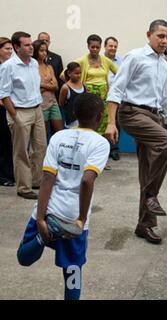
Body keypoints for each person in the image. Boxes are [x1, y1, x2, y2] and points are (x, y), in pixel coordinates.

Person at [105, 20, 167, 245]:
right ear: (149, 35)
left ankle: (144, 225)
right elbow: (116, 89)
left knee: (146, 173)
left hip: (153, 115)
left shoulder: (165, 65)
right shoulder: (135, 57)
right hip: (132, 113)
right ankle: (151, 195)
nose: (164, 41)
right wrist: (111, 122)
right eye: (160, 36)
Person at [16, 92, 110, 300]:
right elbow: (87, 181)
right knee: (72, 272)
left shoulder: (59, 136)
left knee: (23, 257)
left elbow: (47, 178)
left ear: (74, 113)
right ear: (100, 116)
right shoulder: (100, 143)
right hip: (72, 217)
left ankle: (42, 237)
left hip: (49, 209)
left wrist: (40, 218)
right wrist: (81, 220)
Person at [0, 32, 47, 200]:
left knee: (40, 148)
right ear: (16, 47)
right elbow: (4, 94)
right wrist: (15, 117)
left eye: (30, 44)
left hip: (36, 109)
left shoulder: (34, 63)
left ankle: (36, 180)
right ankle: (24, 187)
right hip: (19, 112)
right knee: (21, 152)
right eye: (26, 45)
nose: (31, 47)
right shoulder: (8, 67)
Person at [62, 34, 117, 137]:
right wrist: (76, 86)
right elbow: (63, 74)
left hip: (104, 96)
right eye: (92, 47)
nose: (95, 49)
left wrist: (112, 89)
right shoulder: (81, 60)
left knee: (102, 120)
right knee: (89, 120)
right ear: (88, 46)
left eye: (97, 47)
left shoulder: (105, 60)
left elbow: (119, 74)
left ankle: (100, 146)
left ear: (101, 47)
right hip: (88, 96)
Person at [33, 40, 63, 136]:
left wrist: (41, 84)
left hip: (53, 101)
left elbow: (56, 86)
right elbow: (35, 90)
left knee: (60, 132)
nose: (44, 53)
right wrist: (48, 84)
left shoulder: (49, 67)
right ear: (35, 51)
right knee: (43, 134)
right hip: (41, 104)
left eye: (46, 51)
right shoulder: (32, 67)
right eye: (41, 51)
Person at [104, 36, 122, 161]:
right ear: (105, 46)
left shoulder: (121, 61)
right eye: (110, 46)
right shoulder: (99, 60)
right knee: (100, 124)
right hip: (101, 98)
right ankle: (102, 150)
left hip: (116, 99)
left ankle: (114, 149)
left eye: (115, 46)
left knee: (115, 123)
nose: (113, 48)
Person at [0, 37, 15, 187]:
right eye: (6, 49)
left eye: (11, 49)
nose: (10, 51)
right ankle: (3, 175)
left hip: (10, 107)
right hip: (2, 108)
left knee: (10, 143)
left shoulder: (10, 66)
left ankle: (10, 173)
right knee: (3, 142)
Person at [59, 62, 86, 128]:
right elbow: (61, 104)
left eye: (80, 73)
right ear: (69, 73)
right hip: (72, 121)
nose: (79, 75)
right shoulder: (65, 87)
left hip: (83, 119)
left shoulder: (83, 85)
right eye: (76, 73)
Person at [37, 32, 64, 100]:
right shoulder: (32, 60)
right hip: (39, 96)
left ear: (49, 42)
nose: (45, 42)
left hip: (54, 96)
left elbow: (60, 79)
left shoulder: (57, 58)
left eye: (47, 41)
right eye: (42, 40)